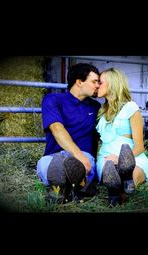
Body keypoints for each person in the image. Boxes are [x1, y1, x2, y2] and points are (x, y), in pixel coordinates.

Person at [37, 63, 101, 202]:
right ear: (79, 82)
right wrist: (79, 156)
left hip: (84, 157)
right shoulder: (53, 99)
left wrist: (90, 162)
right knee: (46, 164)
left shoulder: (96, 107)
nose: (98, 85)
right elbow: (57, 129)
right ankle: (73, 188)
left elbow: (96, 138)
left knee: (83, 164)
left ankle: (63, 189)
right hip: (55, 155)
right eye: (94, 81)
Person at [96, 68, 148, 205]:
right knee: (110, 171)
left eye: (100, 82)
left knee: (132, 174)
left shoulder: (131, 108)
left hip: (132, 156)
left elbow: (140, 147)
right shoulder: (101, 112)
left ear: (112, 83)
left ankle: (121, 186)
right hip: (106, 157)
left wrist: (120, 159)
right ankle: (118, 188)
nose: (97, 85)